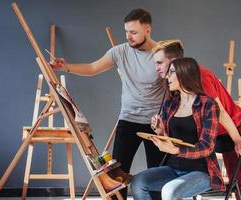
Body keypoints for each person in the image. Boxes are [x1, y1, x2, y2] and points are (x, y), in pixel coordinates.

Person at [50, 9, 165, 199]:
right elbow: (93, 68)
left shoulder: (161, 54)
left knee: (156, 176)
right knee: (116, 176)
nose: (129, 36)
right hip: (128, 119)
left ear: (148, 30)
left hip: (157, 124)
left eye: (134, 32)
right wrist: (66, 66)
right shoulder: (120, 51)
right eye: (126, 31)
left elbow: (174, 84)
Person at [152, 39, 241, 200]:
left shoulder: (198, 77)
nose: (156, 68)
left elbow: (220, 112)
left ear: (173, 62)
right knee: (238, 186)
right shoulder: (174, 83)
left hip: (239, 127)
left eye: (159, 63)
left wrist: (238, 140)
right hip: (219, 134)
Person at [131, 57, 225, 200]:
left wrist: (175, 150)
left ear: (184, 73)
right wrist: (161, 131)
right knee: (138, 182)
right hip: (173, 168)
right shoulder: (170, 104)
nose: (167, 76)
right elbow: (172, 138)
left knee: (169, 191)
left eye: (172, 72)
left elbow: (207, 147)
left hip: (202, 172)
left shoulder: (207, 104)